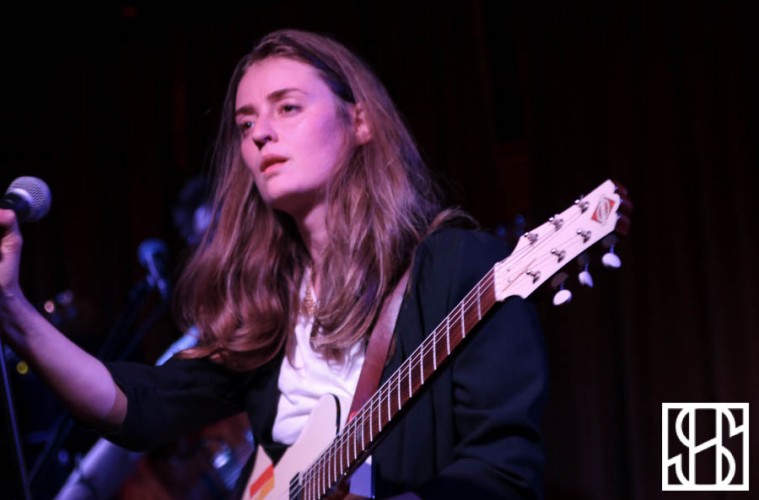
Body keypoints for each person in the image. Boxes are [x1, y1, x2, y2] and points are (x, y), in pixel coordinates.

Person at [0, 29, 548, 499]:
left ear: (360, 121)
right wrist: (11, 308)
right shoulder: (269, 305)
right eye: (245, 124)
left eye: (287, 107)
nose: (260, 133)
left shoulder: (457, 266)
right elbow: (134, 408)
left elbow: (505, 474)